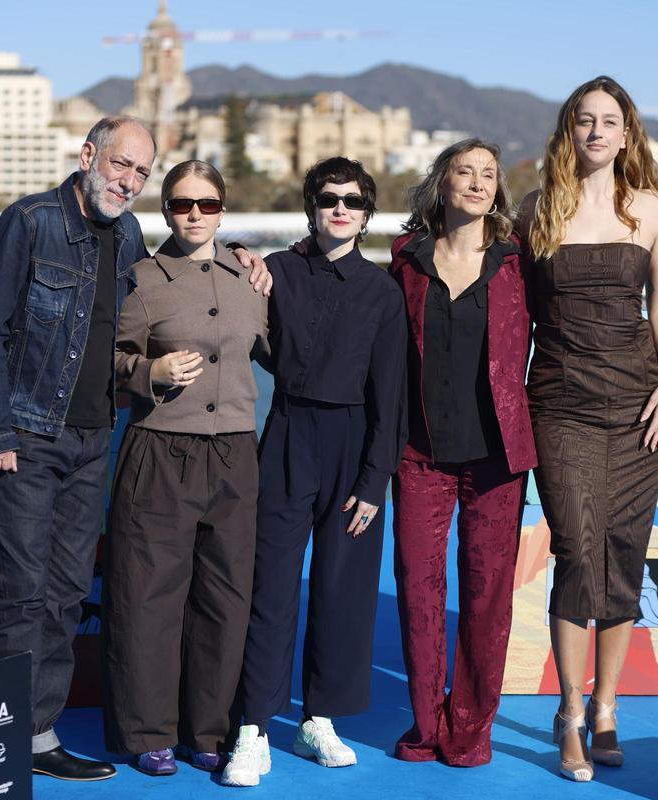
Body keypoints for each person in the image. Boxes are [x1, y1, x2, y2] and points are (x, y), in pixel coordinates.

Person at [0, 116, 269, 782]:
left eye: (140, 172)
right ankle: (2, 739)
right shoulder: (31, 222)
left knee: (69, 591)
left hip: (91, 437)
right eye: (120, 165)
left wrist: (245, 254)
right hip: (26, 435)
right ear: (89, 155)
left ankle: (37, 733)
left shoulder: (127, 233)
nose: (127, 181)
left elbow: (165, 286)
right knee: (20, 594)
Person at [221, 157, 407, 787]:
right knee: (269, 583)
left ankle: (318, 718)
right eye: (329, 198)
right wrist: (242, 252)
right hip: (289, 434)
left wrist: (374, 481)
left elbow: (392, 397)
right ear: (311, 205)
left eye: (353, 201)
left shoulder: (383, 293)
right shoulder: (274, 272)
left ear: (366, 212)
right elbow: (217, 263)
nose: (340, 209)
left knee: (342, 588)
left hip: (354, 444)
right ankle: (253, 726)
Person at [521, 76, 658, 783]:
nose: (595, 131)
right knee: (577, 554)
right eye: (583, 120)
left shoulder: (651, 209)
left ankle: (609, 706)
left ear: (626, 134)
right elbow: (512, 313)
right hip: (559, 403)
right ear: (569, 130)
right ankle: (569, 715)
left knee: (622, 552)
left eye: (608, 121)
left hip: (639, 404)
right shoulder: (536, 210)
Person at [102, 160, 269, 777]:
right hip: (160, 451)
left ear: (223, 209)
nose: (194, 214)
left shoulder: (251, 277)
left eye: (207, 203)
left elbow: (282, 349)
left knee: (225, 599)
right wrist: (149, 373)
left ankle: (210, 729)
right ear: (164, 210)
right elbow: (109, 358)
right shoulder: (142, 280)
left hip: (235, 454)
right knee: (149, 597)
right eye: (180, 204)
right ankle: (148, 732)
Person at [387, 138, 535, 767]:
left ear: (497, 190)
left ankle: (471, 730)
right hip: (418, 455)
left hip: (496, 458)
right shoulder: (405, 260)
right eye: (464, 171)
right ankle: (425, 725)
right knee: (418, 592)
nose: (476, 182)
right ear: (441, 182)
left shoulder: (519, 262)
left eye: (487, 175)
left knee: (486, 597)